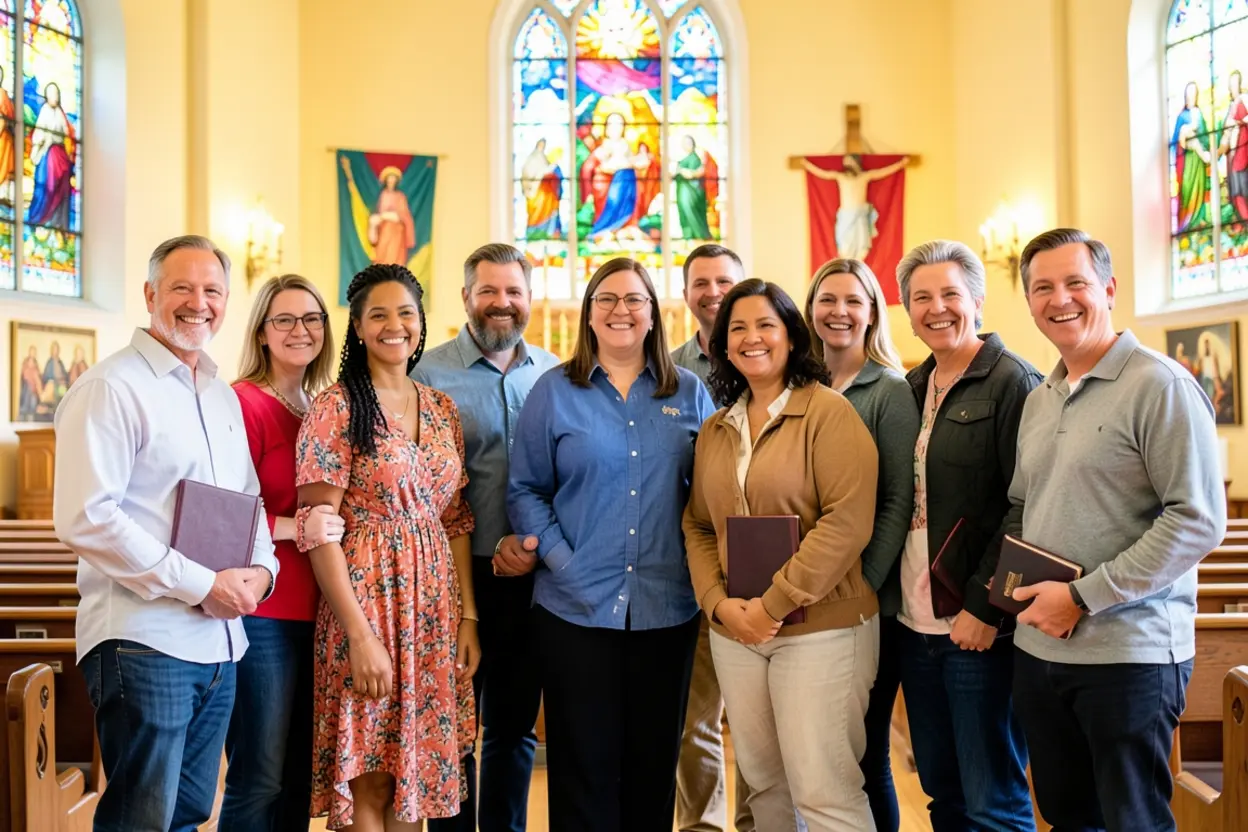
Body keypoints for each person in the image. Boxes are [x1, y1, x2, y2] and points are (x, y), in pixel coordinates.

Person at [53, 234, 280, 831]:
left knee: (185, 813)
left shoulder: (219, 394)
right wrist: (201, 584)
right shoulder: (111, 387)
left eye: (213, 290)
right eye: (182, 287)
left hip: (219, 643)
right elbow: (88, 517)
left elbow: (247, 499)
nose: (198, 302)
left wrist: (263, 569)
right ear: (150, 293)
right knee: (141, 817)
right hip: (143, 639)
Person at [1005, 228, 1227, 832]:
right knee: (1067, 815)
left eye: (1075, 283)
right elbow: (1025, 505)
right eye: (1043, 287)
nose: (1060, 299)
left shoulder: (1161, 385)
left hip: (1130, 652)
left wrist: (1082, 597)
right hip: (1041, 648)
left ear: (1108, 288)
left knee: (1134, 821)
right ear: (1028, 302)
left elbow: (1198, 520)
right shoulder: (1041, 396)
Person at [508, 257, 715, 832]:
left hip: (668, 608)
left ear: (654, 313)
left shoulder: (690, 393)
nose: (621, 310)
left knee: (653, 770)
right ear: (589, 315)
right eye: (607, 299)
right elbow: (525, 489)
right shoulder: (554, 392)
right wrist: (561, 560)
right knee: (581, 772)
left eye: (634, 299)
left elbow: (718, 492)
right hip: (573, 608)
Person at [684, 278, 880, 832]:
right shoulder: (716, 428)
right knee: (765, 788)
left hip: (821, 629)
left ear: (792, 337)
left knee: (824, 792)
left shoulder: (829, 414)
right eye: (738, 329)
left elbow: (847, 523)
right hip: (738, 635)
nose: (752, 338)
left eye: (766, 325)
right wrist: (720, 606)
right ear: (723, 347)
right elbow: (698, 524)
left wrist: (771, 605)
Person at [297, 262, 480, 830]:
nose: (394, 325)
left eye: (406, 313)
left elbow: (455, 520)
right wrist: (358, 635)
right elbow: (317, 524)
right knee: (371, 779)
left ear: (422, 324)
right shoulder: (338, 407)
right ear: (356, 327)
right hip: (367, 605)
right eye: (378, 314)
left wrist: (467, 617)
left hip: (432, 613)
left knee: (415, 776)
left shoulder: (442, 407)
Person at [895, 240, 1042, 832]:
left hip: (978, 629)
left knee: (994, 802)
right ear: (905, 309)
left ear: (977, 300)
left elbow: (1028, 507)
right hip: (914, 624)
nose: (937, 308)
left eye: (950, 294)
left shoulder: (1013, 381)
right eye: (921, 297)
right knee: (943, 795)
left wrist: (987, 607)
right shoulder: (910, 386)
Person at [414, 243, 560, 832]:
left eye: (514, 292)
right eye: (490, 292)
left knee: (513, 726)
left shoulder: (554, 373)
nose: (502, 304)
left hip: (530, 576)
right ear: (466, 297)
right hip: (449, 576)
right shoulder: (427, 374)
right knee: (448, 725)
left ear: (529, 298)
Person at [220, 274, 342, 831]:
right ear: (262, 332)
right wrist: (296, 525)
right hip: (265, 613)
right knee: (260, 775)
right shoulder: (242, 403)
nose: (301, 330)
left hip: (320, 613)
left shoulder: (319, 405)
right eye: (285, 320)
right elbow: (221, 514)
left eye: (312, 319)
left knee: (300, 775)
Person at [804, 258, 919, 832]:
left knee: (864, 756)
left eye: (854, 300)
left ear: (873, 312)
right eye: (828, 299)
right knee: (820, 756)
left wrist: (861, 588)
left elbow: (899, 501)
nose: (840, 312)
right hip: (810, 597)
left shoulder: (888, 390)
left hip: (867, 603)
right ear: (810, 309)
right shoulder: (800, 385)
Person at [669, 243, 753, 832]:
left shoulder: (770, 356)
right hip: (690, 566)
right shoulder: (666, 371)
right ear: (686, 294)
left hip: (762, 566)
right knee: (694, 717)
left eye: (725, 280)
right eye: (701, 282)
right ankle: (702, 825)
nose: (713, 292)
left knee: (755, 715)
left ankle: (756, 821)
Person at [802, 155, 909, 261]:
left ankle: (858, 271)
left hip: (860, 216)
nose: (846, 164)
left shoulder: (865, 176)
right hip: (845, 216)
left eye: (849, 161)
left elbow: (883, 172)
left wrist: (901, 164)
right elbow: (823, 173)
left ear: (856, 163)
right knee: (844, 246)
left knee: (861, 246)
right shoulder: (841, 176)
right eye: (845, 163)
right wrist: (807, 165)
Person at [27, 81, 74, 229]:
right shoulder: (45, 111)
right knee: (49, 186)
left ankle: (58, 224)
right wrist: (46, 139)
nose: (55, 97)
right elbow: (38, 136)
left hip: (61, 156)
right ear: (47, 96)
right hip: (49, 155)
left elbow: (68, 136)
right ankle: (41, 220)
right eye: (52, 94)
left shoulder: (61, 114)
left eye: (57, 94)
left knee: (63, 190)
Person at [1173, 81, 1213, 233]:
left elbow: (1206, 138)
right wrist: (1188, 143)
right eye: (1189, 93)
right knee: (1188, 189)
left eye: (1194, 93)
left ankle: (1200, 220)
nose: (1192, 96)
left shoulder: (1199, 114)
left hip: (1199, 161)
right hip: (1188, 160)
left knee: (1200, 189)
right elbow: (1177, 143)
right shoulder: (1182, 117)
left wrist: (1201, 146)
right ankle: (1188, 222)